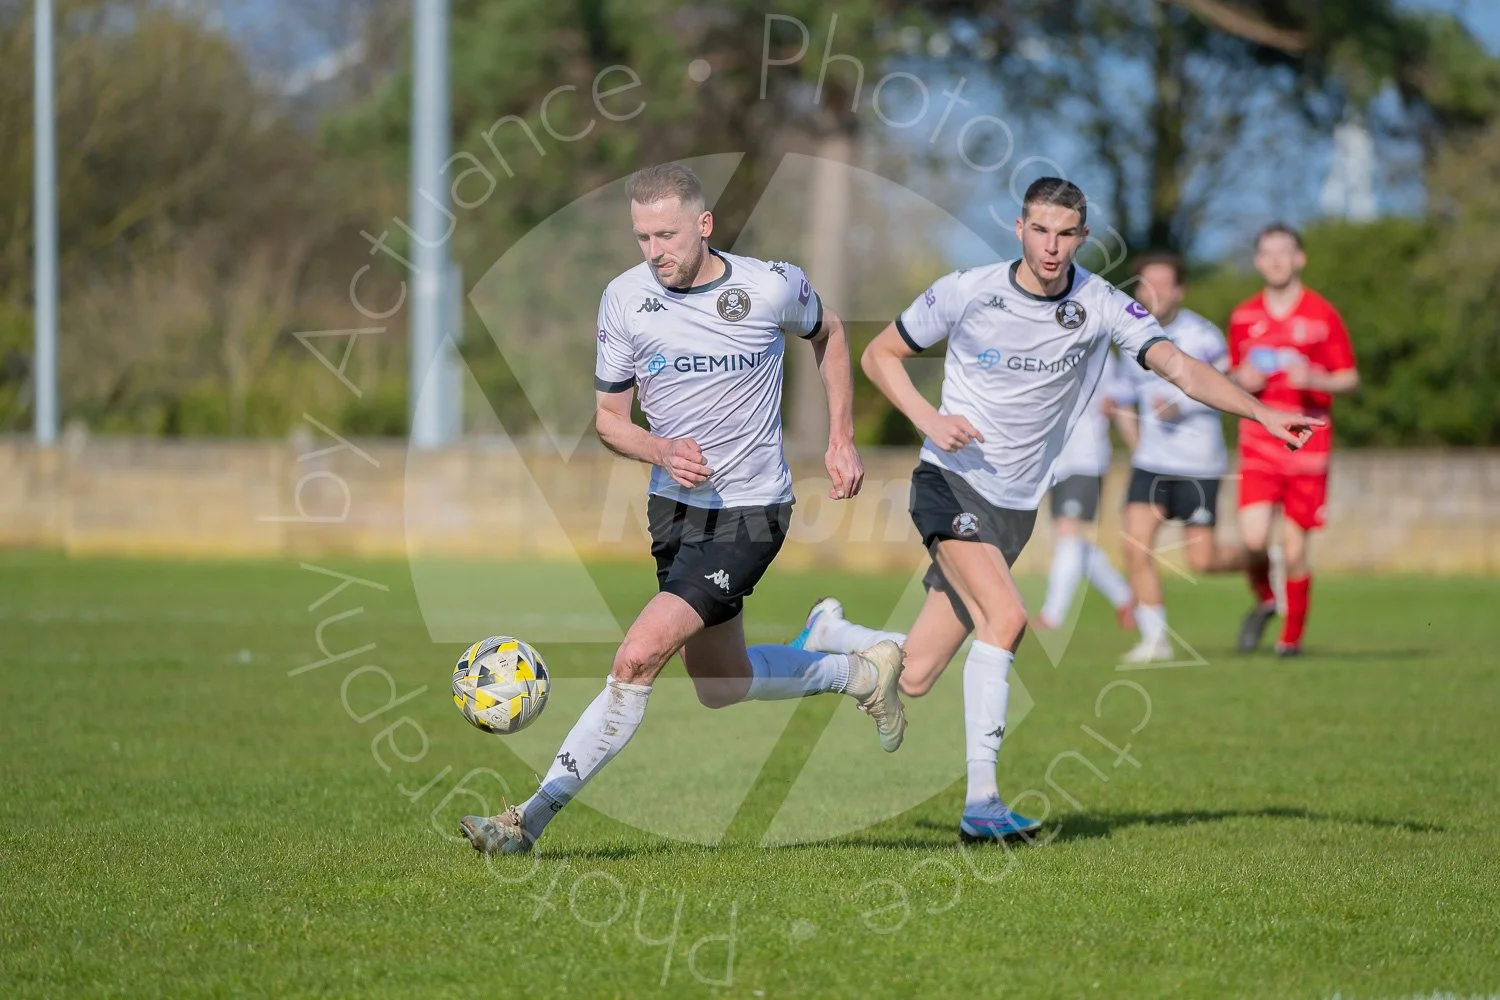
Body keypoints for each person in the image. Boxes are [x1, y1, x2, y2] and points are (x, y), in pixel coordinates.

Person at [791, 178, 1321, 842]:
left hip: (1015, 507)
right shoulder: (968, 289)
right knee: (1008, 617)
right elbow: (879, 354)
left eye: (1065, 233)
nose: (1051, 245)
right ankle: (982, 806)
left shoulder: (1099, 304)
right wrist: (931, 417)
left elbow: (1180, 367)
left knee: (918, 673)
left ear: (1083, 238)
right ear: (1019, 228)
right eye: (1040, 230)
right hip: (949, 484)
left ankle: (830, 636)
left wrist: (1262, 412)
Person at [460, 162, 906, 856]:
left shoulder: (769, 286)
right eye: (641, 236)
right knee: (721, 684)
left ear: (704, 226)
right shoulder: (624, 299)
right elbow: (610, 421)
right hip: (673, 510)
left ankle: (526, 821)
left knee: (637, 658)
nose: (653, 250)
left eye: (666, 233)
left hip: (753, 511)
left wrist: (843, 437)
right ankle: (858, 670)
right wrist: (661, 449)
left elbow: (831, 334)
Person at [1228, 224, 1359, 656]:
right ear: (1258, 261)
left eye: (1285, 251)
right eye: (1267, 252)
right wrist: (1240, 379)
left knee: (1296, 546)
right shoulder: (1244, 317)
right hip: (1259, 441)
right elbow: (1228, 377)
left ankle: (1291, 639)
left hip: (1307, 446)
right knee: (1251, 540)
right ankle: (1267, 598)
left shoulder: (1322, 314)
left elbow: (1350, 377)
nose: (1277, 259)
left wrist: (1316, 378)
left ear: (1300, 258)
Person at [1111, 251, 1246, 664]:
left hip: (1198, 463)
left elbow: (1232, 388)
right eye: (1145, 283)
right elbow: (1121, 399)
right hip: (1152, 464)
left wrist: (1183, 407)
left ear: (1180, 291)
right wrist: (1138, 448)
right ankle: (1156, 639)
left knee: (1202, 561)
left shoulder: (1204, 336)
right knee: (1136, 547)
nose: (1153, 292)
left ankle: (1261, 558)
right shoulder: (1129, 334)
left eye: (1163, 284)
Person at [1033, 348, 1137, 636]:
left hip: (1086, 456)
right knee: (1070, 540)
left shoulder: (1097, 350)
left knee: (1068, 532)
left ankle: (1052, 616)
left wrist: (1140, 450)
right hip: (1056, 459)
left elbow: (1118, 402)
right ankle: (1126, 597)